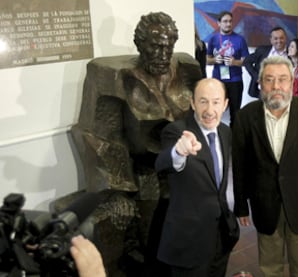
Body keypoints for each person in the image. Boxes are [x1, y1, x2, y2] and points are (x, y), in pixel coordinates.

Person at [71, 11, 202, 276]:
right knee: (150, 235)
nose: (163, 54)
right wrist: (116, 190)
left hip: (184, 162)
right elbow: (100, 136)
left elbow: (202, 115)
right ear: (140, 45)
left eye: (168, 47)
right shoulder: (115, 76)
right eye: (155, 47)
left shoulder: (187, 70)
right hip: (145, 171)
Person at [232, 56, 298, 276]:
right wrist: (241, 205)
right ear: (260, 83)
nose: (276, 86)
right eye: (269, 80)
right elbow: (240, 166)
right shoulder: (245, 117)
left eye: (282, 79)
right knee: (270, 267)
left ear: (292, 82)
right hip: (264, 204)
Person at [155, 78, 237, 277]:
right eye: (203, 101)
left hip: (221, 237)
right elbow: (163, 164)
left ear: (225, 104)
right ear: (192, 103)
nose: (209, 110)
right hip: (189, 244)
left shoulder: (225, 132)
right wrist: (178, 152)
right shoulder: (177, 131)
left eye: (216, 102)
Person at [207, 11, 249, 126]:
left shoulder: (240, 39)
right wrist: (215, 60)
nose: (228, 24)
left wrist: (235, 62)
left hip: (235, 81)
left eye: (230, 21)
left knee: (235, 113)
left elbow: (247, 62)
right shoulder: (213, 39)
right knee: (215, 111)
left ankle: (234, 139)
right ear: (218, 23)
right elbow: (206, 60)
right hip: (217, 81)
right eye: (225, 21)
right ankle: (215, 136)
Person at [243, 27, 288, 98]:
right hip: (263, 92)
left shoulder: (291, 53)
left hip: (283, 93)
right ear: (271, 40)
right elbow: (247, 61)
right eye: (276, 38)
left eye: (281, 38)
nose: (279, 41)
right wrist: (256, 77)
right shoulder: (262, 50)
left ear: (285, 38)